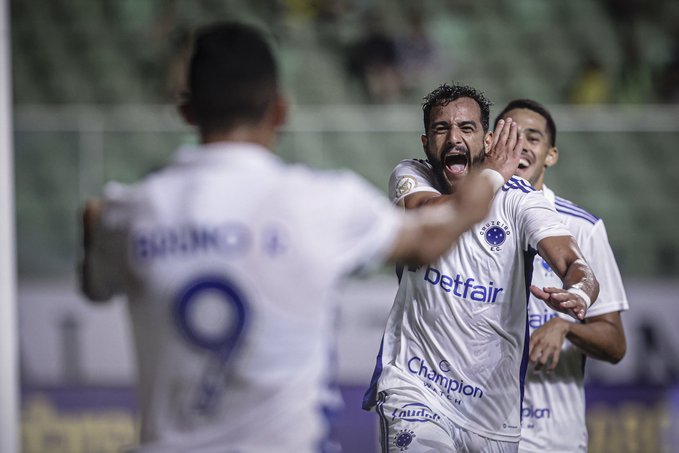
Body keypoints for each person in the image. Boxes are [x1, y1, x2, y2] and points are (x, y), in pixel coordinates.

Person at [79, 23, 521, 453]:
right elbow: (433, 235)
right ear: (280, 112)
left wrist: (98, 224)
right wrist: (492, 176)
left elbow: (93, 281)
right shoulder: (324, 202)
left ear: (187, 111)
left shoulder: (132, 212)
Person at [363, 83, 599, 452]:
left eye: (466, 128)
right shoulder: (411, 176)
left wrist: (578, 291)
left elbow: (573, 262)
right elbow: (426, 213)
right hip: (416, 388)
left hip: (492, 410)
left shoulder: (520, 200)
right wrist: (492, 174)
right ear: (426, 142)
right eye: (441, 129)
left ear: (488, 140)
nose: (453, 138)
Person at [491, 99, 629, 452]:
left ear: (550, 155)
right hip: (480, 433)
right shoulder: (471, 219)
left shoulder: (582, 228)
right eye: (510, 134)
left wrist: (566, 327)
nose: (520, 145)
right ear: (491, 143)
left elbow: (615, 345)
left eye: (532, 138)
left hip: (552, 441)